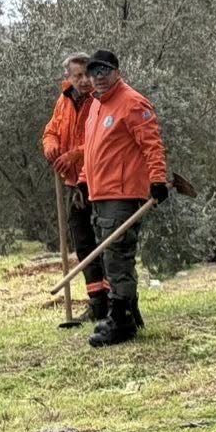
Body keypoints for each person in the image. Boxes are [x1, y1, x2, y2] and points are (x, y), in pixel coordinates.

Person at [79, 49, 167, 348]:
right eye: (94, 72)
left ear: (117, 71)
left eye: (104, 70)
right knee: (111, 258)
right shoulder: (95, 106)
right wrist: (82, 181)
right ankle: (128, 314)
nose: (99, 77)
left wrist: (157, 180)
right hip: (100, 192)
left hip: (123, 193)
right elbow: (94, 150)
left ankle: (123, 323)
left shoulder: (132, 103)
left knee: (118, 259)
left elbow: (151, 144)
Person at [41, 52, 107, 326]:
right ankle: (97, 302)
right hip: (72, 182)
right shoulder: (64, 100)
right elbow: (51, 131)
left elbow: (99, 141)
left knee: (102, 242)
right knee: (82, 243)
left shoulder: (100, 102)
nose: (84, 81)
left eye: (86, 75)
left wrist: (75, 156)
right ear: (68, 78)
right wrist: (51, 146)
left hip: (97, 180)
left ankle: (113, 301)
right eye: (77, 76)